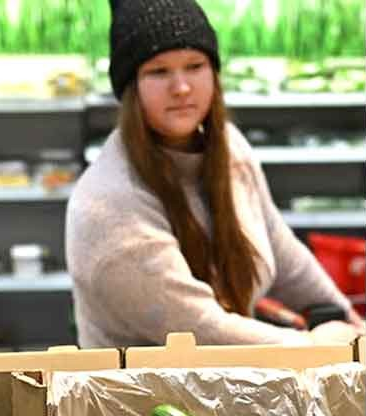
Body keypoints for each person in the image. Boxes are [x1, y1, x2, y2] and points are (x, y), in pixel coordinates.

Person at [66, 0, 364, 347]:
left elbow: (281, 250)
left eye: (195, 66)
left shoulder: (229, 148)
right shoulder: (108, 204)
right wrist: (314, 346)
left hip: (233, 372)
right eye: (159, 72)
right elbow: (198, 329)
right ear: (131, 88)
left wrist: (351, 324)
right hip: (152, 381)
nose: (181, 87)